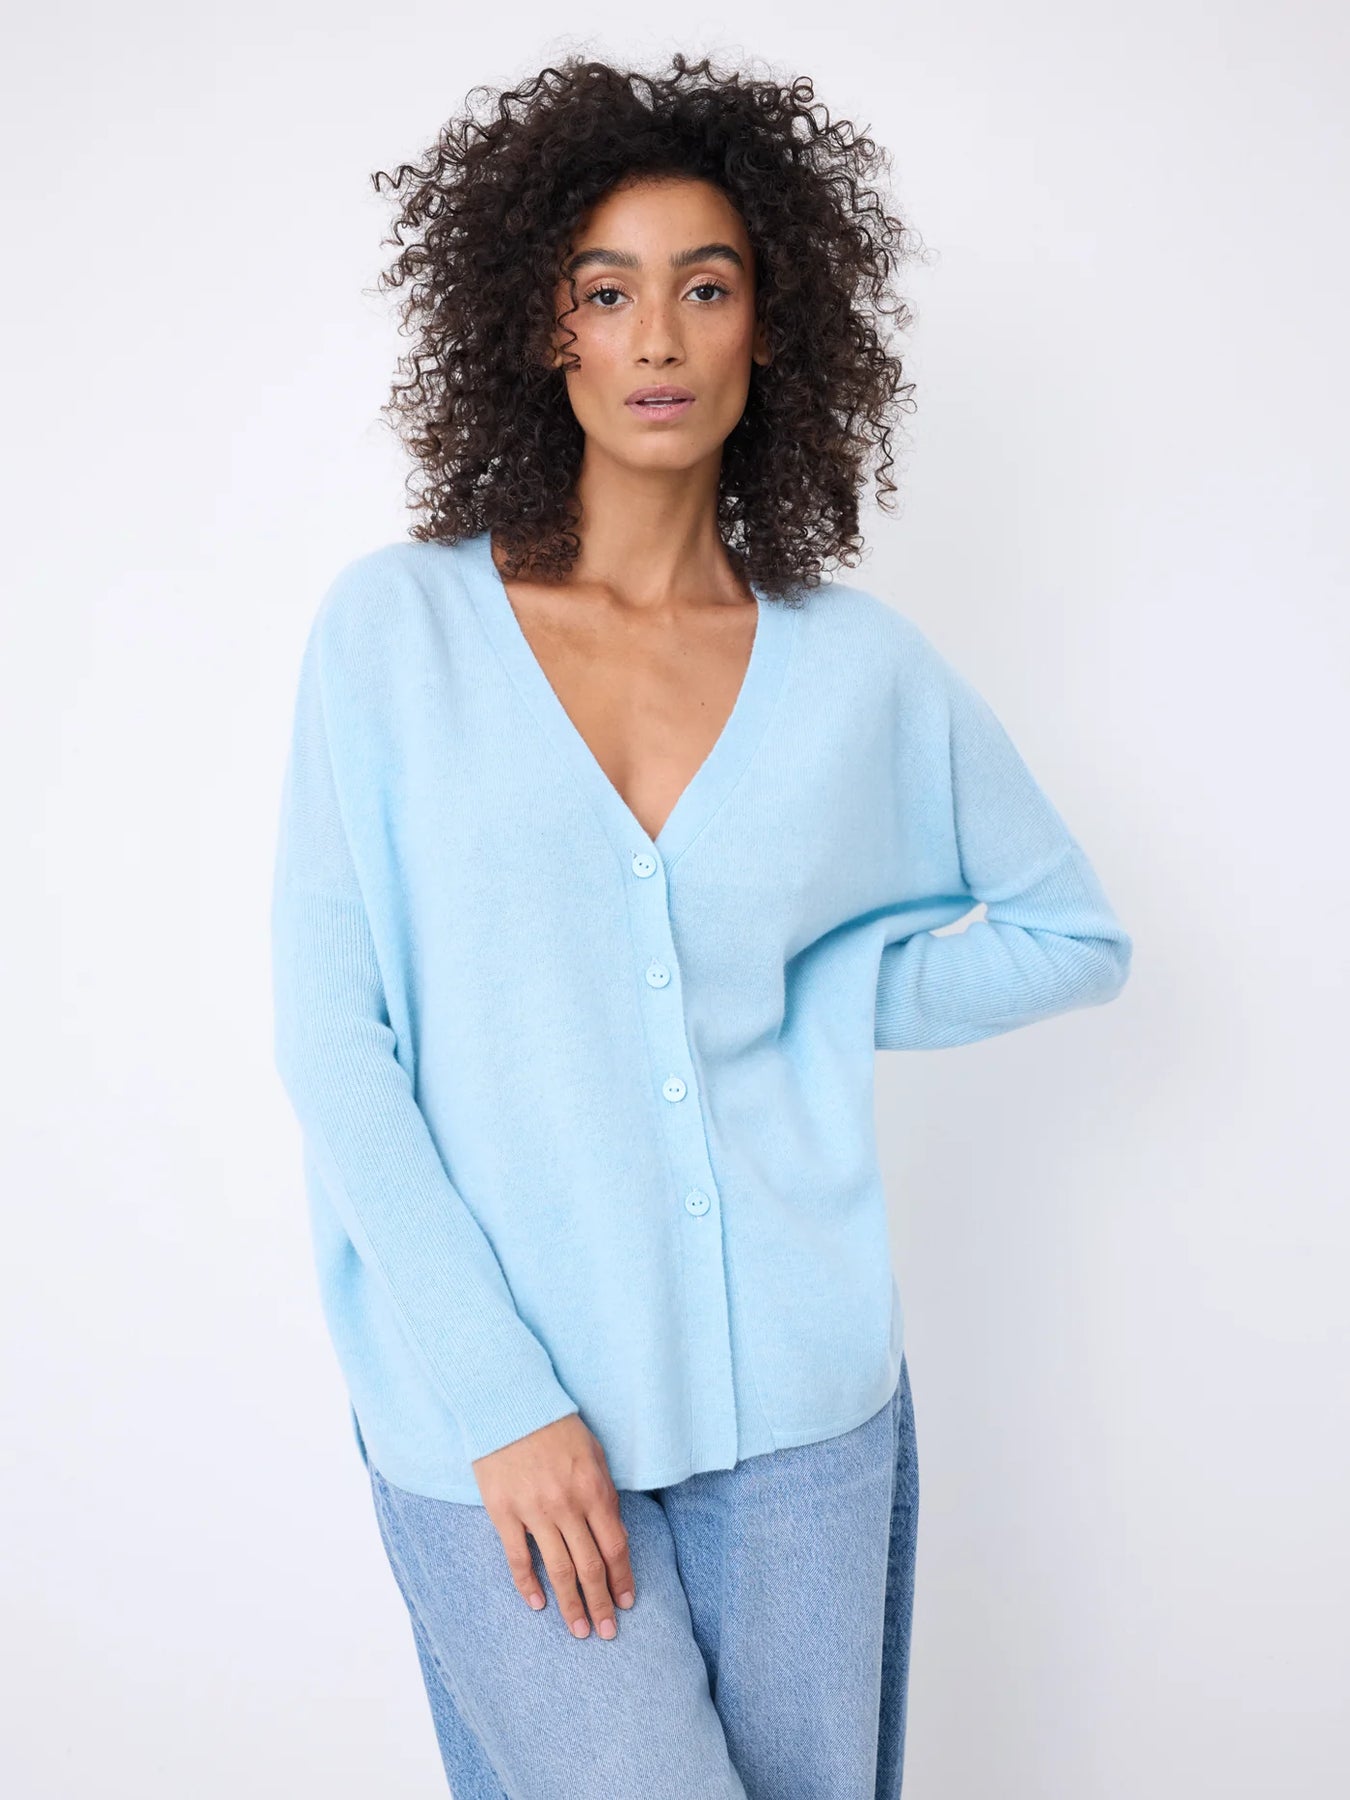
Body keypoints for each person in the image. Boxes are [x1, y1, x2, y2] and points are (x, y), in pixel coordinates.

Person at [269, 52, 1133, 1800]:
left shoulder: (858, 670)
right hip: (494, 1414)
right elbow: (332, 1036)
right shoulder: (395, 634)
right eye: (607, 291)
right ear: (544, 328)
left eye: (706, 287)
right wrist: (499, 1399)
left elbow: (1071, 932)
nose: (655, 337)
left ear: (769, 328)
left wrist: (824, 983)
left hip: (801, 1412)